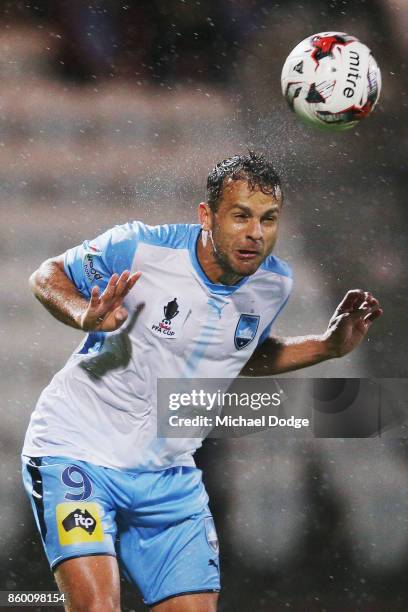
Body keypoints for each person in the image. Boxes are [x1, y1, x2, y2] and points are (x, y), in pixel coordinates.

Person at [22, 151, 382, 612]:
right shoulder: (140, 249)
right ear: (206, 216)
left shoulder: (274, 284)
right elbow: (45, 275)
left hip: (168, 475)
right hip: (76, 450)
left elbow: (237, 354)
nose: (256, 233)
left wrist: (327, 347)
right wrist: (81, 312)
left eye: (269, 219)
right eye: (241, 217)